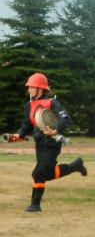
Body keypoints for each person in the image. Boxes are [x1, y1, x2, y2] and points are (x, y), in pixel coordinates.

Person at [6, 73, 87, 213]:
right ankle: (75, 166)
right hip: (39, 143)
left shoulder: (52, 103)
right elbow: (26, 125)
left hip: (52, 143)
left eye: (31, 87)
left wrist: (56, 130)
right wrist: (18, 135)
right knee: (46, 173)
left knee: (38, 173)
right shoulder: (29, 105)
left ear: (40, 89)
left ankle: (35, 205)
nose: (28, 90)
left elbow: (66, 119)